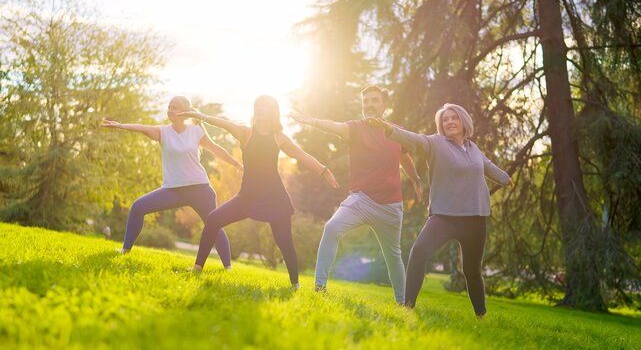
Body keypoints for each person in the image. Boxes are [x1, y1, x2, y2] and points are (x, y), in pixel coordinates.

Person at [179, 95, 339, 289]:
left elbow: (301, 155)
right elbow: (223, 123)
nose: (259, 108)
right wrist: (201, 116)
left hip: (275, 200)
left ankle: (295, 285)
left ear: (273, 111)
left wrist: (324, 170)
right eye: (257, 105)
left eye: (264, 105)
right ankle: (197, 268)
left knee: (284, 243)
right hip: (247, 197)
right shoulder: (246, 132)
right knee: (213, 220)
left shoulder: (278, 137)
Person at [368, 103, 512, 318]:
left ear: (464, 122)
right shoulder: (435, 144)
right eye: (445, 119)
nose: (450, 122)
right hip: (444, 217)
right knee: (418, 252)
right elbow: (415, 139)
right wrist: (389, 130)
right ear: (441, 125)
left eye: (454, 118)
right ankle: (407, 308)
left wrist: (505, 178)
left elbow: (488, 166)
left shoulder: (473, 149)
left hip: (475, 218)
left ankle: (481, 315)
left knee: (472, 271)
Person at [291, 85, 422, 304]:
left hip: (390, 207)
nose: (369, 105)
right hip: (360, 200)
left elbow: (405, 158)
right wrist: (311, 121)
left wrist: (416, 179)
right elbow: (333, 126)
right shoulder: (355, 128)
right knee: (331, 228)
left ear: (384, 104)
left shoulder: (396, 132)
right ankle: (319, 288)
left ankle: (404, 305)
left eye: (374, 100)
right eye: (366, 101)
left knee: (393, 257)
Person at [102, 96, 240, 269]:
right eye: (169, 107)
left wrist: (237, 165)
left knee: (214, 224)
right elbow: (142, 128)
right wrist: (121, 126)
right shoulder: (163, 132)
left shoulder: (196, 131)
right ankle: (125, 250)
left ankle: (227, 267)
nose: (170, 110)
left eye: (174, 107)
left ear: (184, 111)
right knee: (138, 207)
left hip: (200, 189)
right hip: (173, 190)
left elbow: (216, 149)